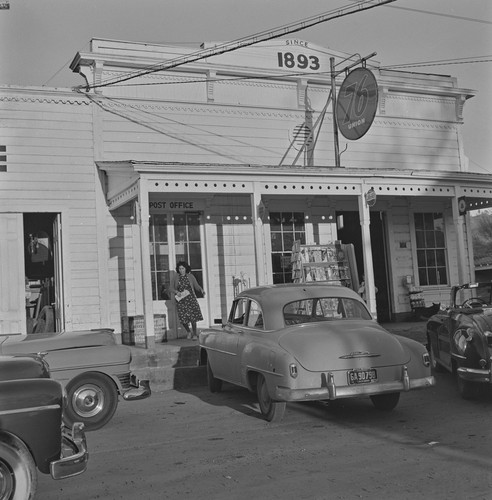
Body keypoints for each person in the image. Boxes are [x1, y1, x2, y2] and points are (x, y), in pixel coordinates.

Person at [170, 261, 205, 340]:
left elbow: (196, 285)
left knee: (193, 317)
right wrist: (176, 292)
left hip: (191, 299)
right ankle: (188, 331)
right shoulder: (176, 277)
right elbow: (170, 288)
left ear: (186, 269)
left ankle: (195, 334)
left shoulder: (190, 276)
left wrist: (201, 290)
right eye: (180, 269)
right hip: (181, 300)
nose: (181, 270)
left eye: (183, 268)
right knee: (183, 318)